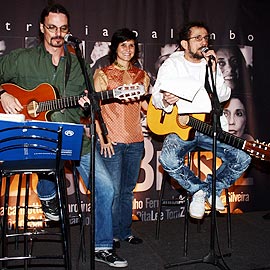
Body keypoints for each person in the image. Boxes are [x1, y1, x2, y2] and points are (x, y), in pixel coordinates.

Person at [0, 4, 127, 267]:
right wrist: (3, 94)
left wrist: (87, 105)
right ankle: (47, 195)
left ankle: (102, 247)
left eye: (63, 28)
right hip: (38, 139)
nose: (57, 33)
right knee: (47, 162)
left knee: (106, 187)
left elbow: (92, 102)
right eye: (52, 27)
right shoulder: (21, 58)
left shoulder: (79, 64)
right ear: (41, 28)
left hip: (74, 137)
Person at [151, 21, 251, 219]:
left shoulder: (210, 64)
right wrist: (164, 99)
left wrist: (214, 69)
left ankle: (209, 190)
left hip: (208, 128)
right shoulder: (173, 64)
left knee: (243, 158)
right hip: (180, 130)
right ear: (185, 44)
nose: (203, 42)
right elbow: (155, 96)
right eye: (197, 38)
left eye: (206, 38)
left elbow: (223, 96)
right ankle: (197, 190)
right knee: (168, 159)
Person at [92, 28, 150, 247]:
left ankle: (125, 231)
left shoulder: (142, 75)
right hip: (112, 141)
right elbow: (94, 109)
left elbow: (145, 107)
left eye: (131, 45)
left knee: (127, 191)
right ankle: (111, 235)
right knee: (113, 191)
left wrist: (166, 104)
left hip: (136, 140)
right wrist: (102, 137)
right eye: (123, 45)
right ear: (115, 48)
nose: (127, 49)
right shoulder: (103, 74)